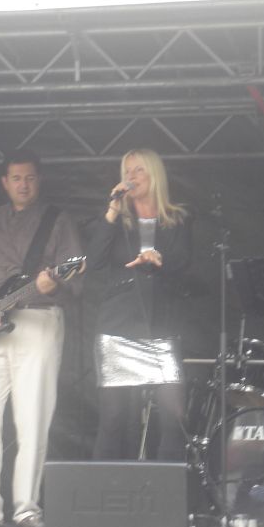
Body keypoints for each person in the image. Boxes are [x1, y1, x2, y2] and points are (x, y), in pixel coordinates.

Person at [0, 149, 84, 527]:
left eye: (29, 178)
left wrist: (54, 283)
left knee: (32, 420)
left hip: (38, 320)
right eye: (16, 178)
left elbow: (77, 276)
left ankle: (26, 510)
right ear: (4, 183)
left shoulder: (57, 220)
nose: (23, 185)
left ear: (38, 180)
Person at [88, 148, 192, 461]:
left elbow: (185, 263)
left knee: (174, 415)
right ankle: (104, 487)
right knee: (113, 418)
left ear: (154, 175)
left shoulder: (177, 218)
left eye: (138, 171)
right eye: (127, 171)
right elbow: (94, 262)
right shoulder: (118, 221)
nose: (131, 177)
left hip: (161, 327)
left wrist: (160, 260)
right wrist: (112, 211)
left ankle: (167, 486)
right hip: (118, 326)